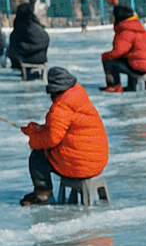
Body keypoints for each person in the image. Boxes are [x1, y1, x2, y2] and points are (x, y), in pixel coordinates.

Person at [19, 68, 110, 205]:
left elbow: (51, 140)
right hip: (97, 163)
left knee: (37, 156)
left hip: (80, 165)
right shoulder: (79, 98)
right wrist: (39, 129)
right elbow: (61, 130)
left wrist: (33, 136)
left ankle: (42, 194)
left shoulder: (61, 107)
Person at [100, 3, 146, 92]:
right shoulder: (136, 26)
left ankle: (114, 85)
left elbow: (119, 51)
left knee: (108, 61)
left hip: (140, 67)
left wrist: (105, 56)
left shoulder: (126, 30)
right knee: (131, 59)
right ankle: (131, 86)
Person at [6, 0, 50, 69]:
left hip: (33, 57)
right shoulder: (32, 23)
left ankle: (16, 65)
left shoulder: (27, 26)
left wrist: (23, 47)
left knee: (13, 45)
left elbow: (41, 42)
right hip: (40, 56)